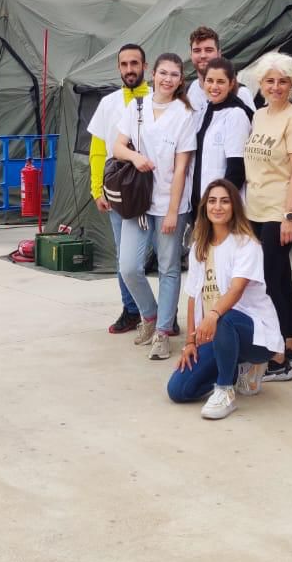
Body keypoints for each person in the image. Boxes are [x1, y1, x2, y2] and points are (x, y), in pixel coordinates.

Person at [166, 179, 285, 420]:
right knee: (179, 390)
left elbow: (236, 290)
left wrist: (212, 315)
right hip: (217, 333)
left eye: (224, 201)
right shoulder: (199, 245)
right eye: (212, 201)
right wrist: (190, 342)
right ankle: (232, 368)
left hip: (254, 334)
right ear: (204, 207)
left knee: (224, 318)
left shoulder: (246, 244)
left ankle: (225, 390)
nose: (217, 207)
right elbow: (192, 295)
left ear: (234, 207)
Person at [113, 54, 198, 360]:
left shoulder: (186, 114)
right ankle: (149, 315)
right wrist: (136, 158)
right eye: (163, 72)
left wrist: (174, 211)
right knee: (129, 266)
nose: (167, 79)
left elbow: (181, 167)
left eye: (174, 74)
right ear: (153, 73)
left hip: (168, 201)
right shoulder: (137, 106)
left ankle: (163, 331)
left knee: (168, 267)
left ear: (180, 79)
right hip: (138, 201)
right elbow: (118, 146)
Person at [240, 51, 292, 380]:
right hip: (255, 207)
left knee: (272, 281)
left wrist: (289, 215)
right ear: (260, 83)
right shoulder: (259, 116)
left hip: (278, 209)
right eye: (270, 81)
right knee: (279, 278)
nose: (276, 86)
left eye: (283, 81)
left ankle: (279, 358)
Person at [87, 44, 152, 336]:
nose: (129, 69)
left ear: (145, 66)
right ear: (118, 68)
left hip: (156, 191)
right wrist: (96, 189)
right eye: (124, 64)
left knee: (165, 258)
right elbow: (98, 150)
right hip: (120, 193)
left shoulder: (159, 98)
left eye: (134, 63)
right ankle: (131, 310)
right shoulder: (109, 103)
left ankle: (164, 317)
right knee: (123, 257)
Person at [187, 58, 253, 205]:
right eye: (209, 80)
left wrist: (221, 202)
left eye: (221, 82)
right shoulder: (205, 111)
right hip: (201, 200)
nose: (214, 86)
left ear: (231, 84)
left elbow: (237, 168)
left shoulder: (236, 114)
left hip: (221, 205)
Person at [185, 26, 256, 111]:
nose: (203, 55)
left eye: (208, 50)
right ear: (191, 55)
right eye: (197, 51)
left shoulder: (240, 93)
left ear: (219, 54)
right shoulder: (187, 92)